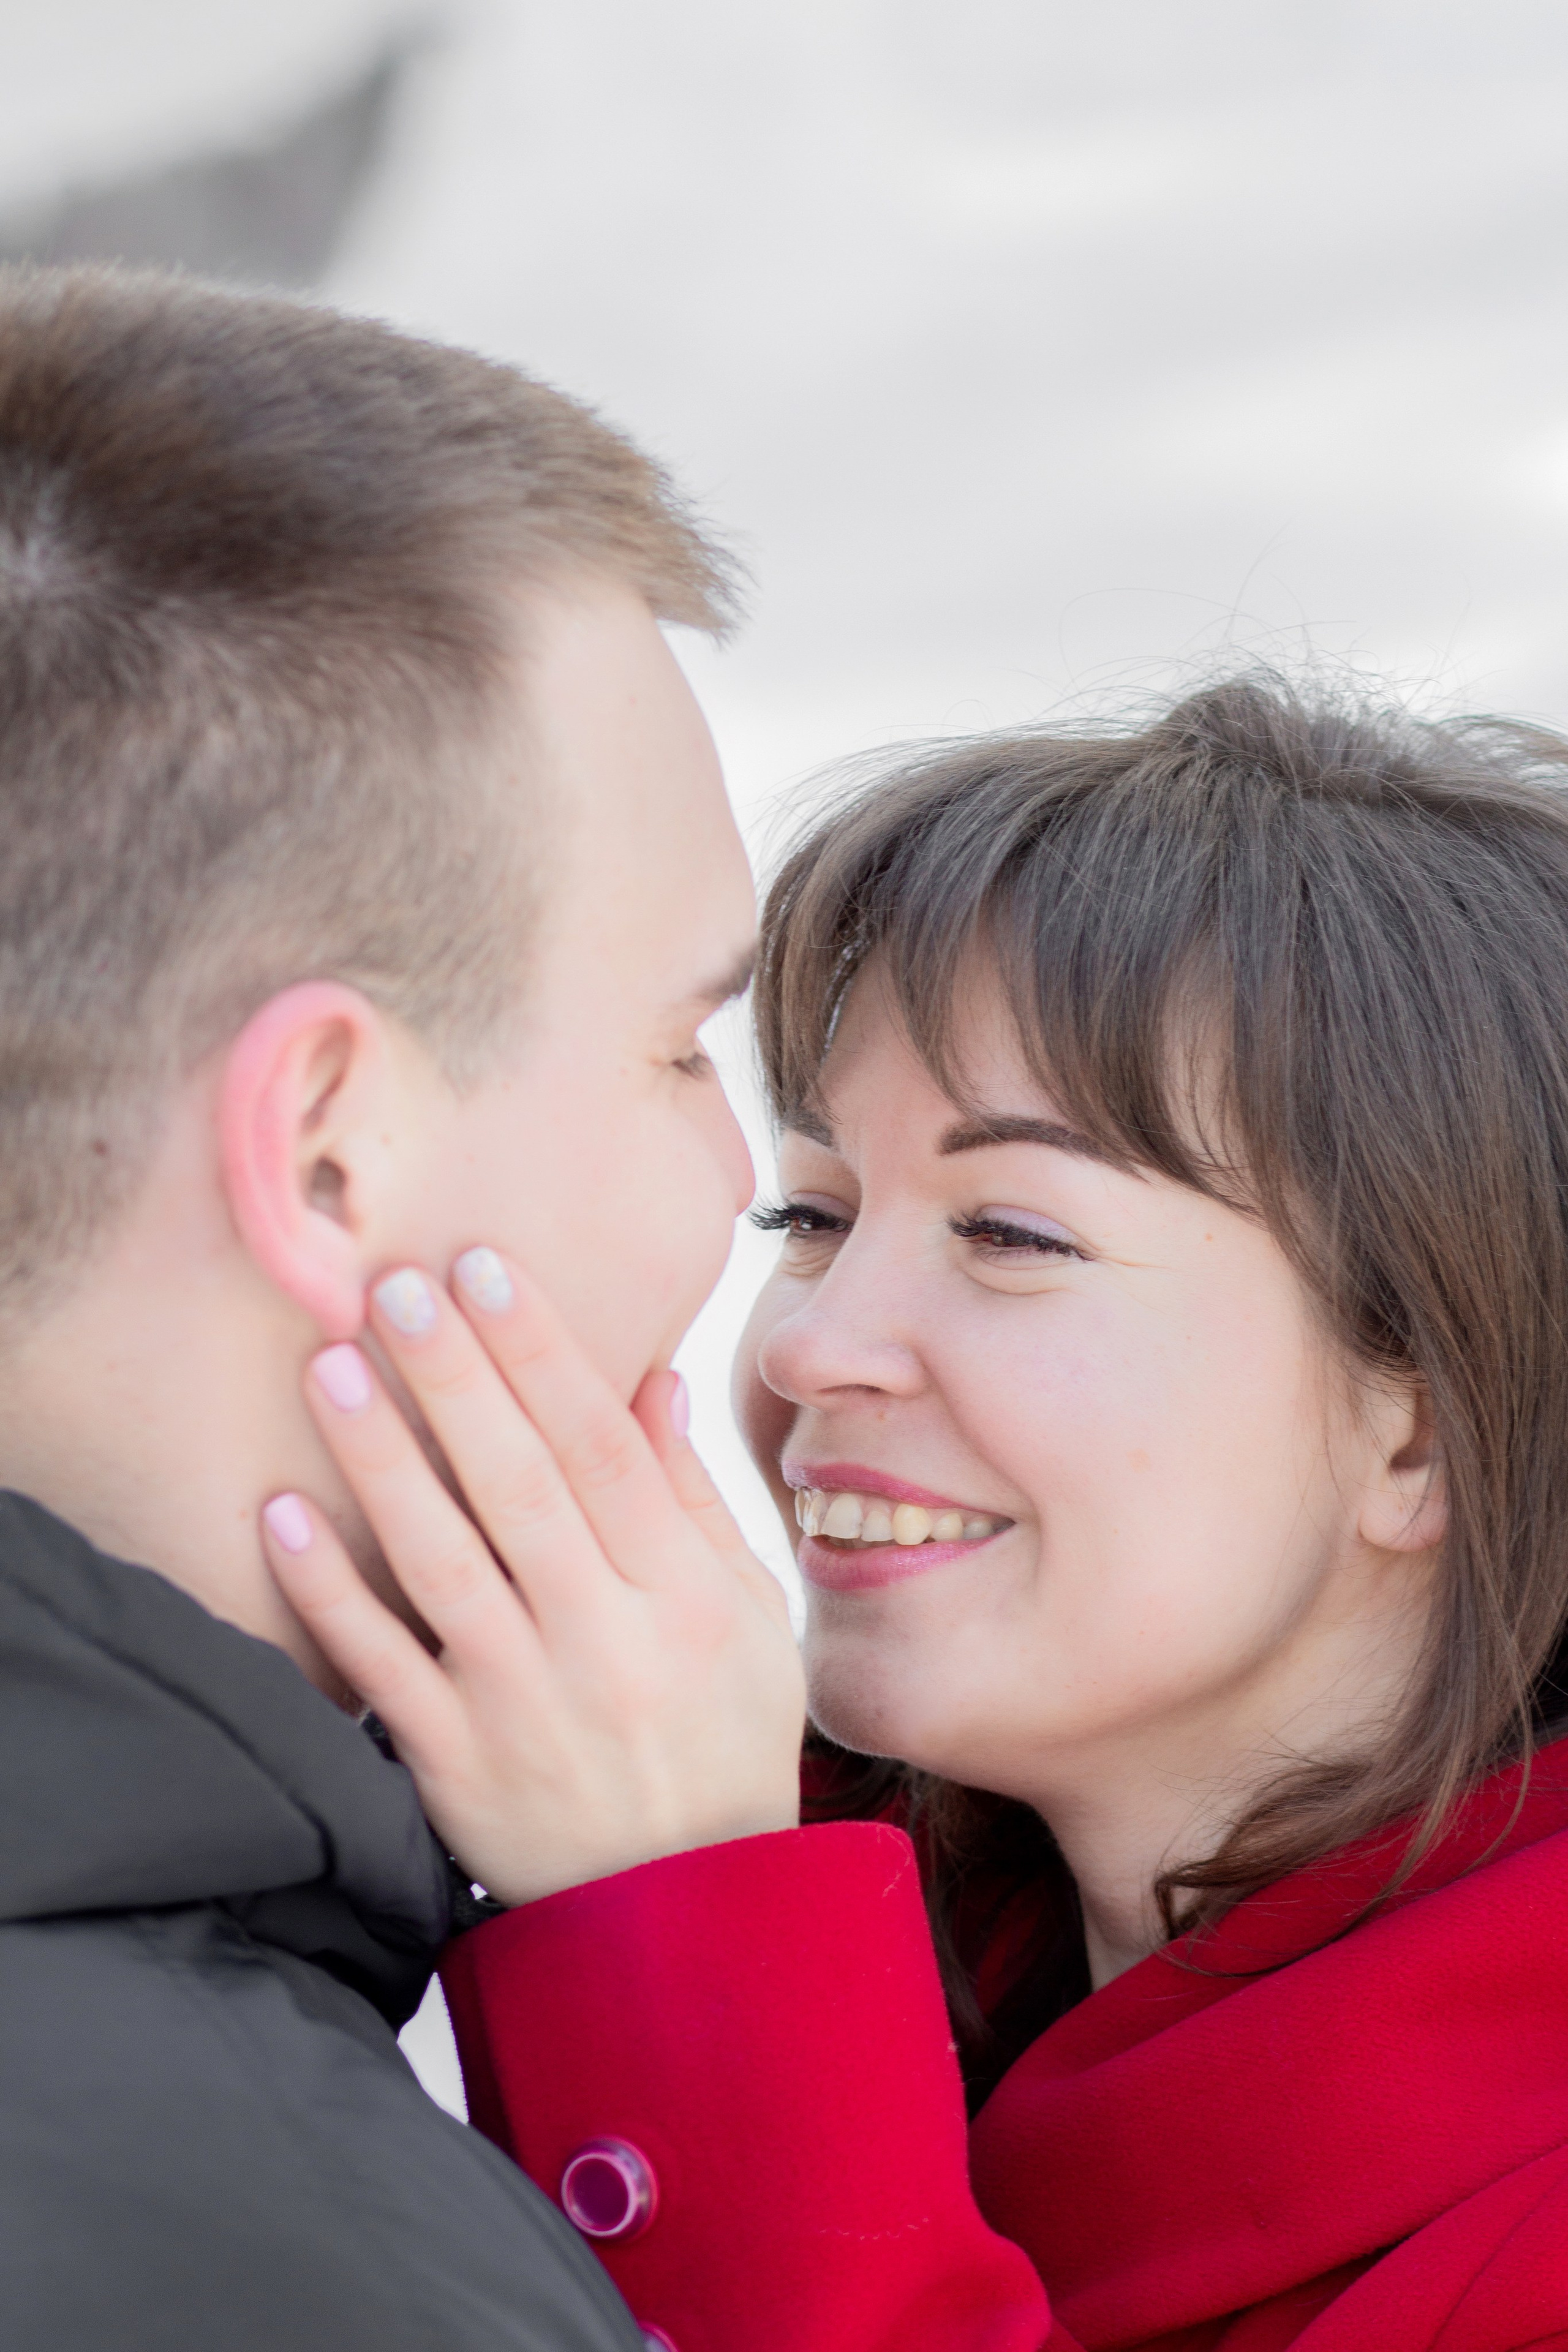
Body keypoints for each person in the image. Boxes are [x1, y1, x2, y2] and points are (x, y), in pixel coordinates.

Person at [281, 680, 1568, 2351]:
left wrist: (706, 1944)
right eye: (811, 1215)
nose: (807, 1344)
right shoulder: (836, 1907)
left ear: (1427, 1428)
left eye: (1010, 1234)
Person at [0, 260, 806, 2351]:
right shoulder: (278, 2262)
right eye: (680, 1045)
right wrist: (726, 1999)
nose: (742, 1186)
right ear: (330, 1154)